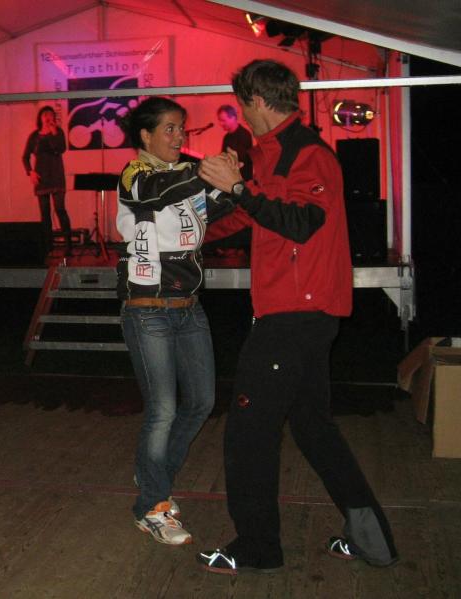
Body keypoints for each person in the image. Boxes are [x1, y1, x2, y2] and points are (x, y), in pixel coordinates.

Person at [195, 59, 398, 573]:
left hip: (296, 313)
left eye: (242, 105)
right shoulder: (269, 155)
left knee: (249, 431)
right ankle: (374, 541)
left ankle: (258, 548)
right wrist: (188, 230)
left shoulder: (308, 153)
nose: (240, 115)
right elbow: (251, 214)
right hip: (297, 312)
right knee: (312, 428)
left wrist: (238, 187)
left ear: (257, 101)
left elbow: (303, 222)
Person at [116, 96, 235, 546]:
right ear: (145, 135)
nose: (180, 136)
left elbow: (212, 209)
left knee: (202, 401)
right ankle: (151, 506)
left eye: (182, 128)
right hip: (147, 308)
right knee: (163, 409)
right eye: (170, 128)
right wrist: (206, 171)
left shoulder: (182, 177)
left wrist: (231, 184)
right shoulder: (135, 175)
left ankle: (154, 477)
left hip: (189, 305)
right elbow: (158, 192)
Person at [22, 106, 72, 256]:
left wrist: (54, 132)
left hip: (56, 176)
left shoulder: (58, 132)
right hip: (41, 177)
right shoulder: (34, 136)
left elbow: (61, 149)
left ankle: (68, 245)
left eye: (50, 114)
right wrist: (30, 172)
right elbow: (25, 157)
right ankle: (48, 246)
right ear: (40, 117)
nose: (48, 116)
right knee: (45, 213)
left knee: (60, 209)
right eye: (45, 114)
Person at [216, 104, 253, 181]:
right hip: (231, 178)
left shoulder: (244, 135)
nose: (220, 123)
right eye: (219, 120)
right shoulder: (227, 137)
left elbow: (240, 161)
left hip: (242, 179)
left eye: (223, 120)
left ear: (233, 118)